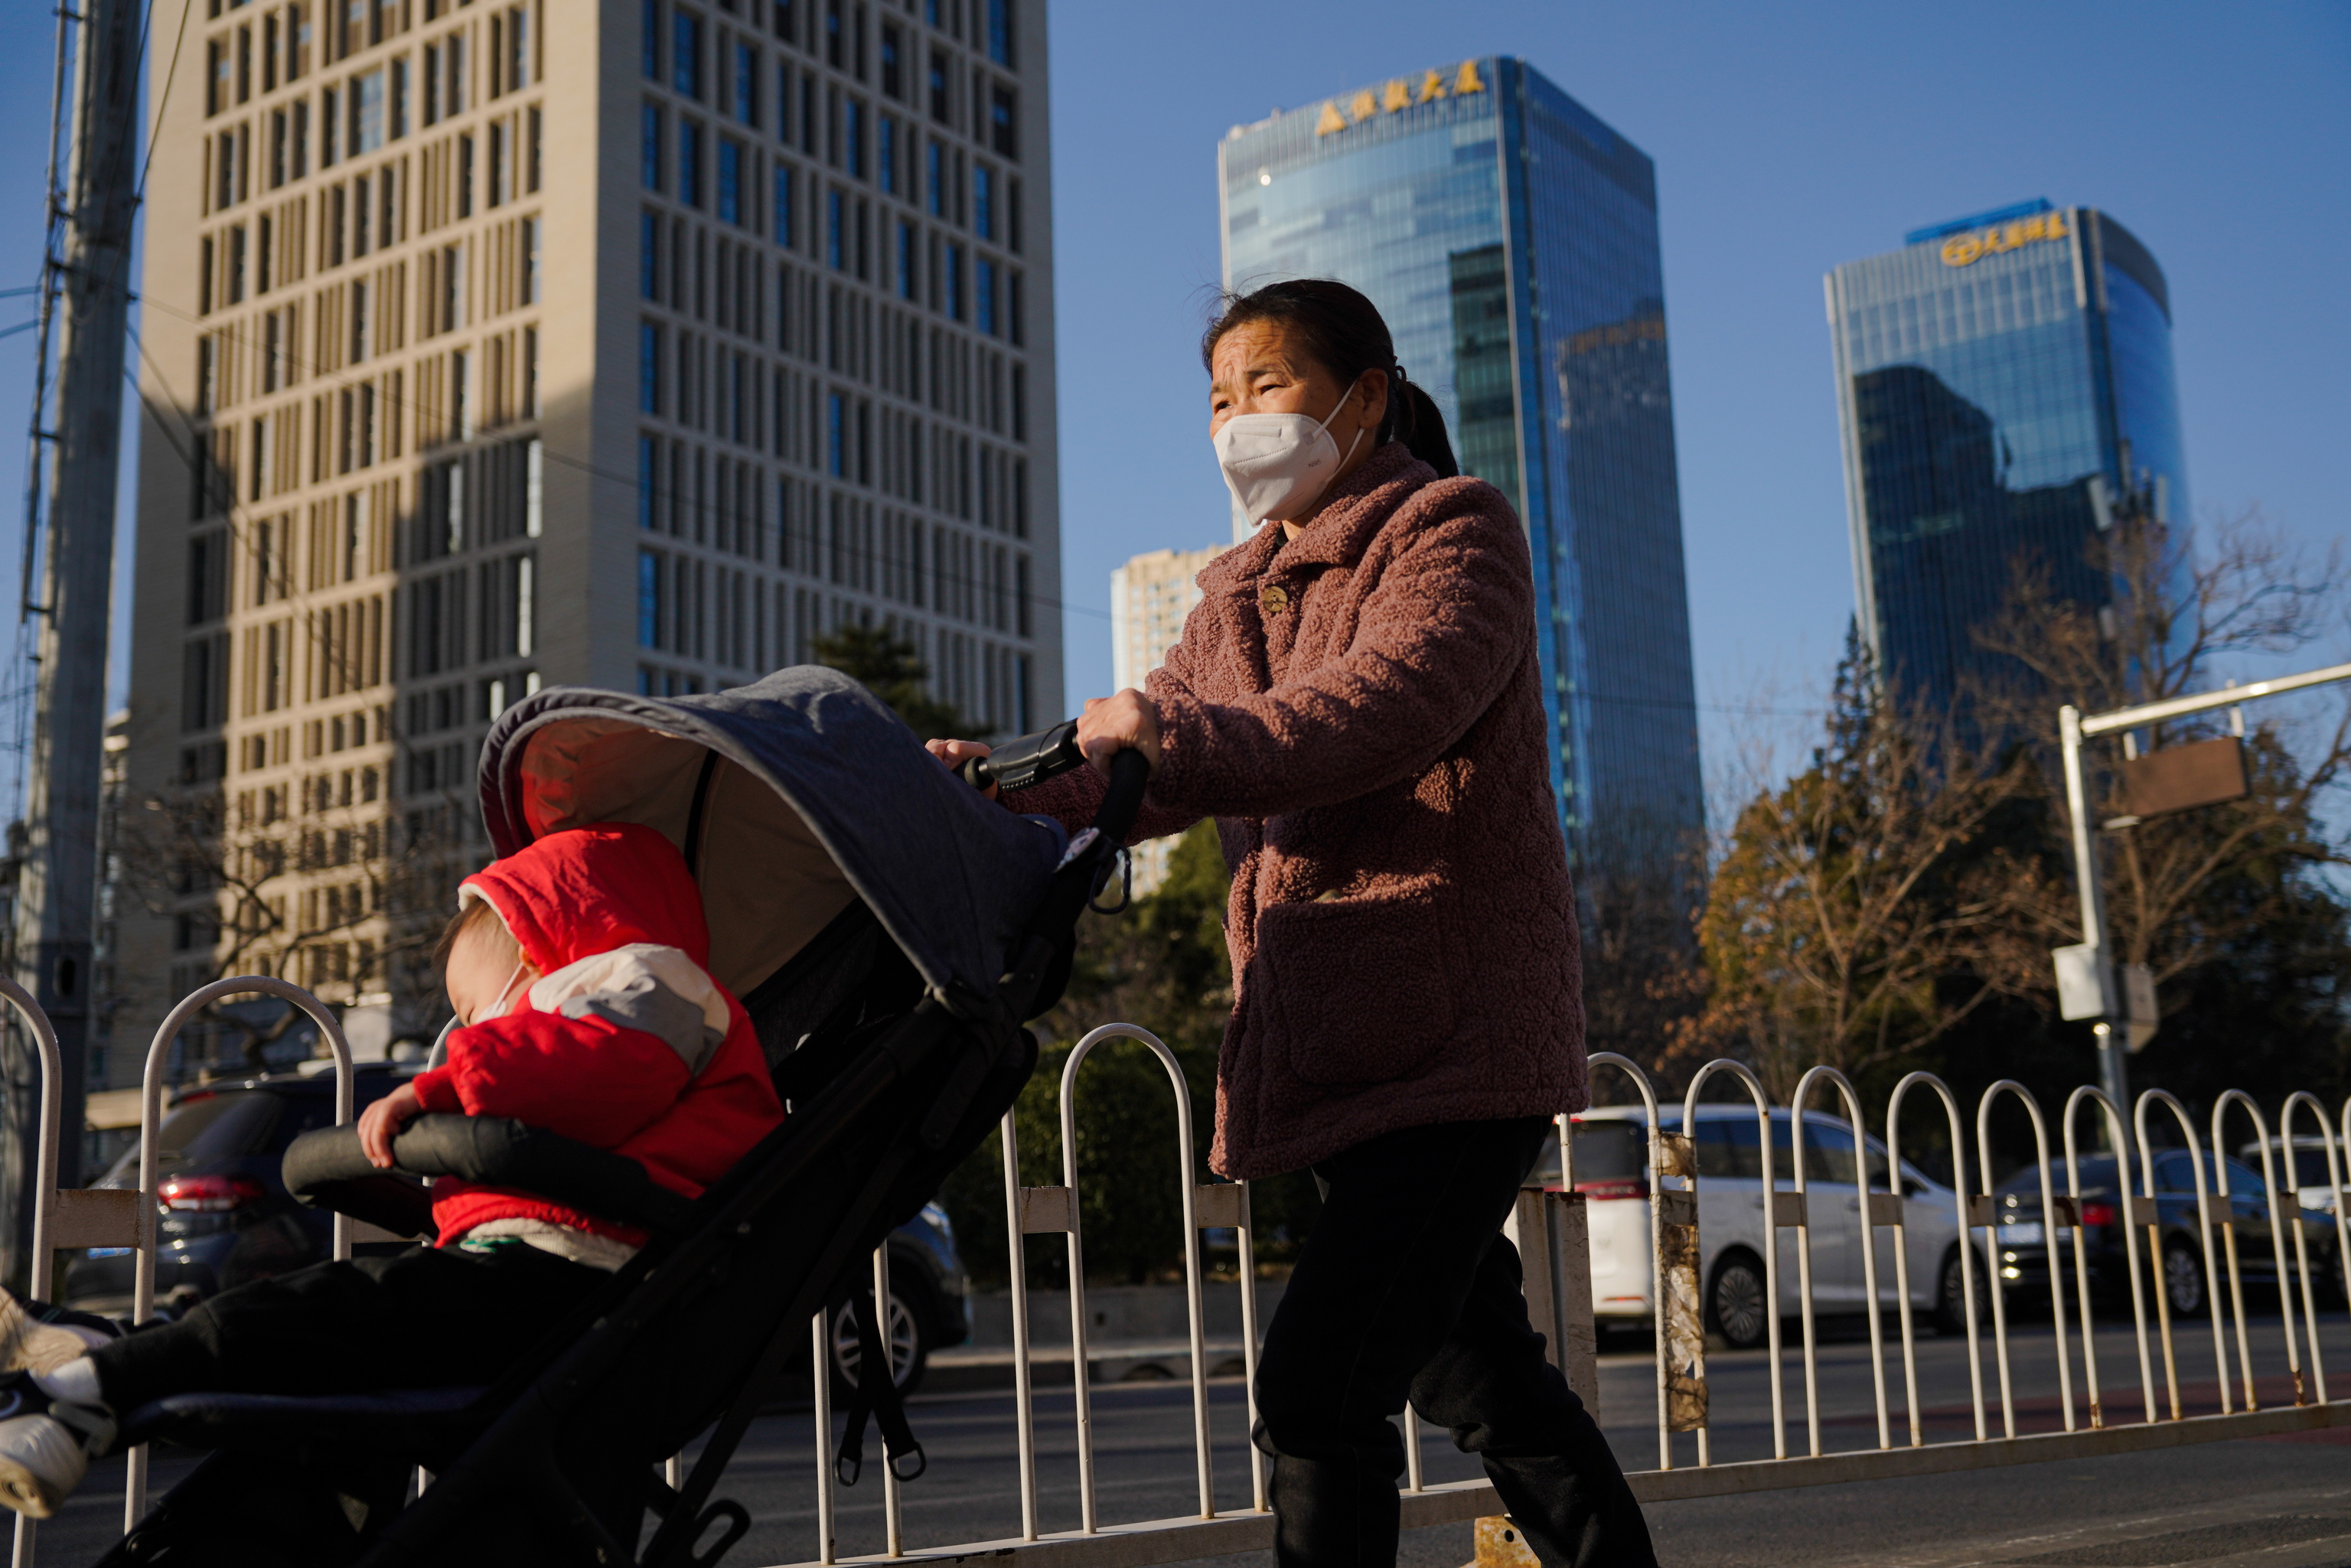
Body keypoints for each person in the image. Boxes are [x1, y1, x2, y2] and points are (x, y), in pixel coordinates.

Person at [933, 280, 1655, 1568]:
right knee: (1474, 1369)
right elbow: (1127, 764)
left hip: (1453, 1032)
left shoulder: (1452, 528)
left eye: (1265, 386)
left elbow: (1378, 707)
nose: (1236, 420)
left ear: (1362, 396)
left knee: (1318, 1386)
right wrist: (972, 781)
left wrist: (1174, 739)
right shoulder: (1232, 602)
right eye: (1218, 398)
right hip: (1332, 1038)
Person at [0, 822, 784, 1518]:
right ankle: (123, 1349)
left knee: (326, 1312)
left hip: (574, 1283)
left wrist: (446, 1086)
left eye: (477, 1014)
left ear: (550, 946)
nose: (468, 1034)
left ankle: (92, 1386)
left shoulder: (652, 979)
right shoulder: (630, 992)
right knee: (325, 1339)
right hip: (544, 1273)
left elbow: (594, 1072)